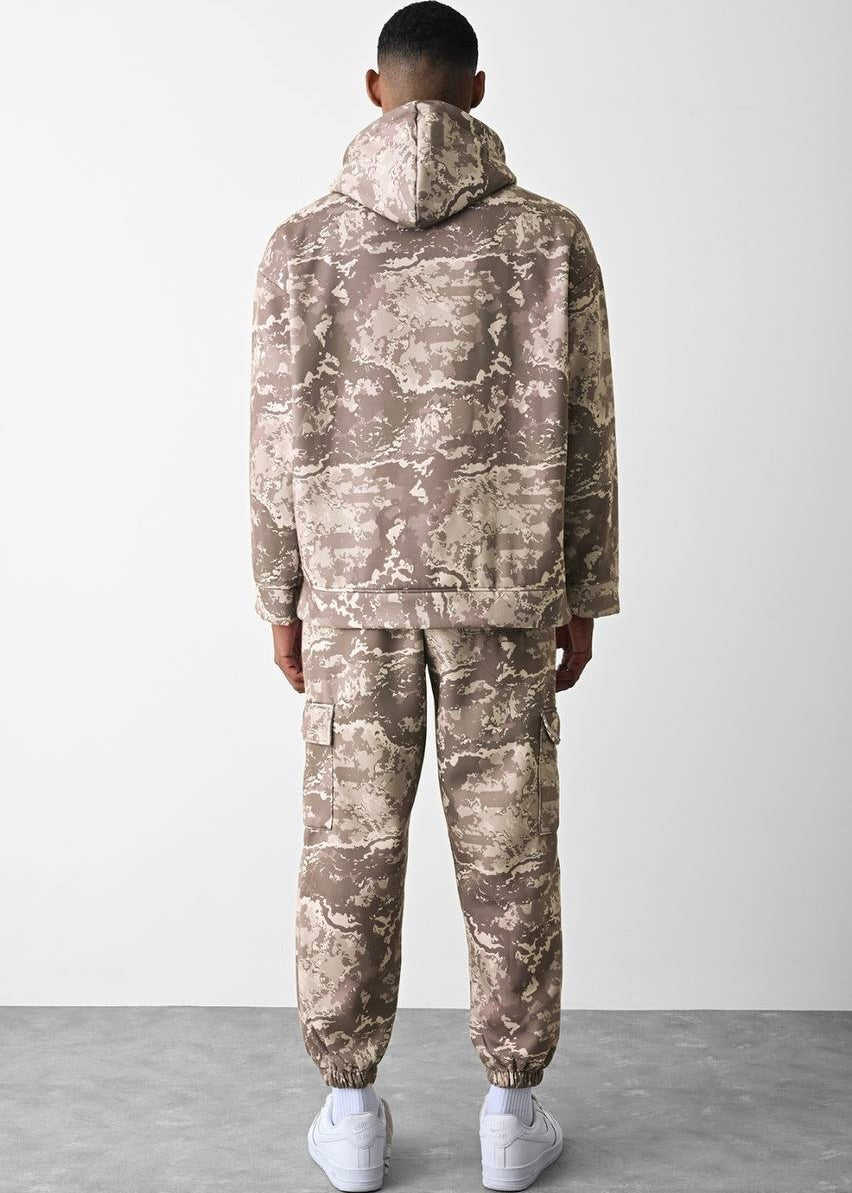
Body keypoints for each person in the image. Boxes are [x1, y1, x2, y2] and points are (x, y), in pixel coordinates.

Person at [249, 2, 618, 1188]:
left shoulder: (301, 244)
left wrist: (281, 592)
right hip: (505, 581)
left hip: (351, 587)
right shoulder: (550, 239)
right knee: (509, 846)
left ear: (376, 89)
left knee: (350, 844)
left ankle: (350, 1112)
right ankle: (511, 1111)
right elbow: (586, 426)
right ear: (478, 88)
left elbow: (274, 436)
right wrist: (583, 586)